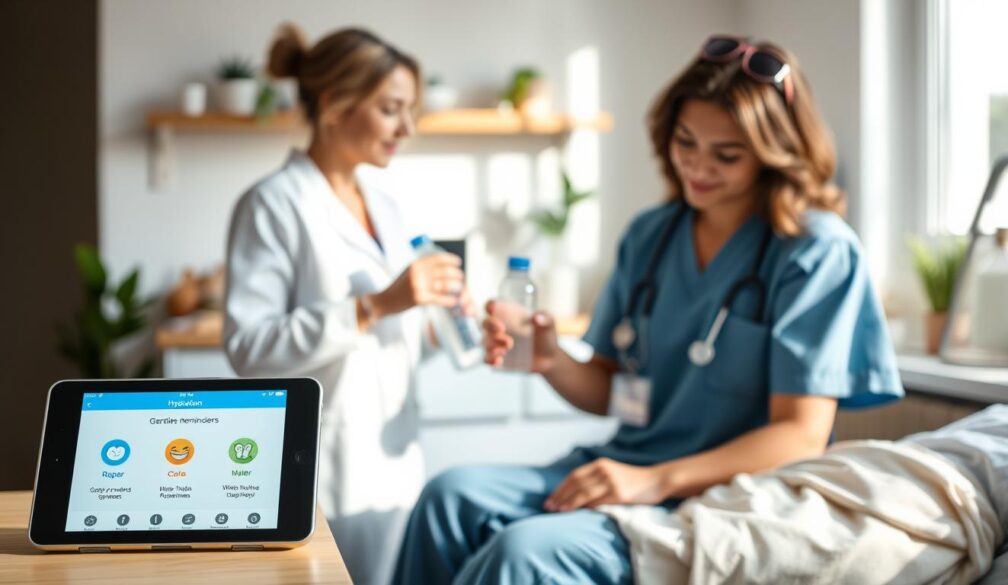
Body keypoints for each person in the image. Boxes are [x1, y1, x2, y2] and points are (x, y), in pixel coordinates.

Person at [391, 35, 904, 584]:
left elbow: (800, 434)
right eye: (686, 143)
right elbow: (616, 388)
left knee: (525, 552)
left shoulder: (816, 251)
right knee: (448, 498)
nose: (698, 168)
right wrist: (550, 358)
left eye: (727, 154)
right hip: (630, 462)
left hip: (727, 491)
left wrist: (654, 480)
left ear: (773, 154)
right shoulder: (652, 236)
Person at [224, 23, 468, 585]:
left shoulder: (386, 207)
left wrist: (446, 325)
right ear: (334, 103)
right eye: (391, 109)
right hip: (324, 465)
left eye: (411, 111)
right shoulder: (272, 205)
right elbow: (248, 348)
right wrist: (374, 305)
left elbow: (390, 344)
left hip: (397, 455)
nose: (408, 128)